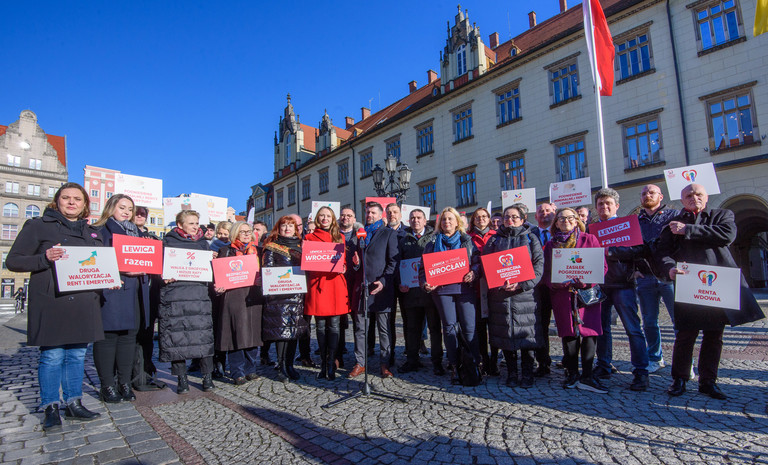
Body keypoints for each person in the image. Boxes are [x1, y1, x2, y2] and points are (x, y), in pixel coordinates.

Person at [6, 182, 102, 431]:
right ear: (57, 201)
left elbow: (98, 265)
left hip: (82, 301)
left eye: (77, 199)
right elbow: (13, 261)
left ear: (84, 204)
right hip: (52, 300)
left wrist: (108, 279)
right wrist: (44, 258)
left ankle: (73, 402)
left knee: (77, 355)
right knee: (52, 356)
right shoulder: (38, 226)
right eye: (66, 198)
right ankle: (50, 406)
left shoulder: (92, 232)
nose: (71, 202)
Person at [659, 184, 764, 399]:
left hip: (717, 285)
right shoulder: (673, 224)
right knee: (685, 334)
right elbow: (662, 252)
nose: (694, 198)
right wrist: (669, 268)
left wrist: (687, 230)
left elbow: (727, 235)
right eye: (688, 195)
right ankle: (679, 379)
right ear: (682, 200)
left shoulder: (721, 215)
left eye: (698, 194)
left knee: (714, 335)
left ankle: (708, 381)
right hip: (688, 284)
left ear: (706, 197)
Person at [542, 207, 608, 393]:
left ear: (577, 220)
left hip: (586, 293)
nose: (566, 221)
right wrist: (554, 283)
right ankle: (572, 373)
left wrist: (587, 281)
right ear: (556, 223)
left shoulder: (589, 239)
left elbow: (602, 266)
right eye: (561, 218)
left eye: (570, 218)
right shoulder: (551, 245)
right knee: (568, 333)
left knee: (589, 332)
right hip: (562, 294)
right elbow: (545, 272)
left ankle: (587, 375)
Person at [591, 188, 650, 391]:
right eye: (600, 204)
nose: (604, 207)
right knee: (601, 329)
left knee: (632, 328)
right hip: (600, 284)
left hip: (623, 283)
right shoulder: (591, 229)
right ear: (596, 207)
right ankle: (604, 365)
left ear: (616, 206)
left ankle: (641, 372)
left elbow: (639, 249)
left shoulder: (627, 225)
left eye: (608, 203)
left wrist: (611, 251)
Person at [93, 194, 150, 403]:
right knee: (108, 338)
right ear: (111, 208)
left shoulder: (138, 233)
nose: (127, 212)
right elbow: (94, 260)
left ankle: (124, 382)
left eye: (130, 209)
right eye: (122, 207)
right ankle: (107, 385)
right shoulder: (100, 231)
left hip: (134, 291)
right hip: (112, 290)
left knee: (128, 338)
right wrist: (121, 269)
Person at [483, 204, 544, 388]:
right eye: (506, 217)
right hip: (501, 296)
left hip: (525, 295)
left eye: (514, 217)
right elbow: (486, 265)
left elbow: (539, 266)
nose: (510, 220)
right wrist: (498, 283)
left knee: (527, 335)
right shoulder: (494, 240)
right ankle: (511, 373)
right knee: (506, 335)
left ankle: (527, 373)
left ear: (523, 219)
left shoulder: (531, 238)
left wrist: (522, 284)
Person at [420, 207, 481, 381]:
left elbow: (477, 262)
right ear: (440, 223)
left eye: (450, 219)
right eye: (444, 219)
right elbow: (423, 269)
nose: (447, 222)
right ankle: (454, 364)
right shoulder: (432, 244)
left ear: (457, 222)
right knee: (449, 329)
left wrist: (474, 272)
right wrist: (425, 283)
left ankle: (474, 364)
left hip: (464, 289)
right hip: (442, 292)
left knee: (469, 328)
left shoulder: (467, 241)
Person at [159, 210, 216, 394]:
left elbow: (210, 271)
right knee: (177, 338)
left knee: (203, 337)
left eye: (197, 223)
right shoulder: (167, 242)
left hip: (199, 295)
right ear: (180, 224)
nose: (195, 226)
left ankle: (207, 377)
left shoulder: (203, 244)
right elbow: (159, 268)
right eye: (191, 223)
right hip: (176, 296)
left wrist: (213, 262)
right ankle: (181, 379)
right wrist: (163, 275)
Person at [349, 202, 399, 379]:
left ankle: (385, 363)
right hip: (362, 288)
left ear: (380, 215)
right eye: (367, 212)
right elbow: (356, 265)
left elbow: (393, 262)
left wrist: (384, 281)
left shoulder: (389, 233)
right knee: (360, 328)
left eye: (373, 213)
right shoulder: (360, 235)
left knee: (383, 329)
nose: (369, 215)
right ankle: (360, 363)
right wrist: (356, 264)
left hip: (381, 289)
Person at [635, 184, 678, 373]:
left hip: (669, 276)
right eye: (644, 193)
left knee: (679, 321)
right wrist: (634, 269)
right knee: (649, 322)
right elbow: (631, 247)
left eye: (651, 192)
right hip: (645, 277)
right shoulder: (636, 221)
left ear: (661, 196)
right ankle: (655, 357)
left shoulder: (673, 216)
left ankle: (685, 361)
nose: (647, 195)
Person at [214, 222, 264, 385]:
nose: (247, 234)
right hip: (233, 296)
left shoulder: (258, 251)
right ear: (235, 233)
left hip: (253, 295)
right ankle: (237, 371)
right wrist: (219, 286)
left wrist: (263, 280)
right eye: (242, 232)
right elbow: (219, 274)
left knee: (253, 333)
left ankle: (251, 369)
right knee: (235, 333)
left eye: (249, 231)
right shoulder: (225, 251)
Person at [304, 207, 350, 380]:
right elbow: (307, 263)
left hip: (335, 284)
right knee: (321, 326)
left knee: (335, 326)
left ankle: (332, 364)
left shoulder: (340, 237)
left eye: (328, 216)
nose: (325, 218)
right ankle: (323, 364)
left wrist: (344, 267)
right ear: (317, 218)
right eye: (322, 215)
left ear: (333, 219)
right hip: (318, 284)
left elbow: (343, 261)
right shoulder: (309, 238)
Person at [396, 208, 443, 374]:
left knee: (434, 329)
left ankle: (437, 362)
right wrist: (400, 283)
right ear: (409, 221)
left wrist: (436, 281)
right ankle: (412, 360)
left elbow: (441, 261)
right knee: (412, 329)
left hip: (430, 292)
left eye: (418, 218)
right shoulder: (403, 240)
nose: (415, 220)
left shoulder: (435, 238)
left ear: (425, 220)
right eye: (412, 218)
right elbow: (397, 264)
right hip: (411, 292)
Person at [262, 215, 309, 382]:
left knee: (294, 331)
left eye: (290, 226)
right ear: (278, 228)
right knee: (282, 332)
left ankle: (290, 365)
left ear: (296, 229)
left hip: (298, 295)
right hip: (279, 295)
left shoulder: (302, 246)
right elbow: (267, 270)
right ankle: (281, 367)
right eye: (284, 226)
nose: (287, 229)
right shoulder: (272, 247)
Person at [468, 207, 499, 376]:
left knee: (495, 326)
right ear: (473, 220)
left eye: (484, 216)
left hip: (494, 288)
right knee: (479, 327)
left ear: (489, 219)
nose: (481, 219)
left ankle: (494, 360)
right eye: (477, 217)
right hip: (475, 288)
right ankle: (483, 360)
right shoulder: (467, 237)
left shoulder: (497, 236)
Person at [531, 202, 556, 376]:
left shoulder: (563, 233)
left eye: (548, 210)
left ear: (554, 213)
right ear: (535, 216)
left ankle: (570, 363)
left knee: (569, 325)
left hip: (561, 286)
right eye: (541, 211)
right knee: (541, 326)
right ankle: (543, 362)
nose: (544, 213)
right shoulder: (529, 235)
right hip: (539, 287)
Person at [288, 214, 315, 368]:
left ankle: (305, 355)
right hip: (288, 288)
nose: (297, 228)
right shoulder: (281, 243)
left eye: (299, 225)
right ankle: (285, 360)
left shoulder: (308, 242)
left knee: (305, 324)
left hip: (306, 288)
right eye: (294, 225)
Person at [337, 207, 362, 367]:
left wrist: (357, 264)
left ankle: (359, 358)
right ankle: (338, 354)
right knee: (338, 322)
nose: (345, 218)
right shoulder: (333, 235)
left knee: (358, 322)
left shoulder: (360, 236)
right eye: (343, 215)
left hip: (355, 283)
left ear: (354, 219)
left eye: (349, 215)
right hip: (337, 283)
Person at [386, 203, 407, 367]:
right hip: (388, 282)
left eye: (395, 212)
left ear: (400, 214)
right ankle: (390, 354)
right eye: (389, 212)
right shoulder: (382, 233)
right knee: (389, 321)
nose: (392, 214)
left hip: (406, 282)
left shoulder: (408, 233)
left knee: (409, 320)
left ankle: (412, 353)